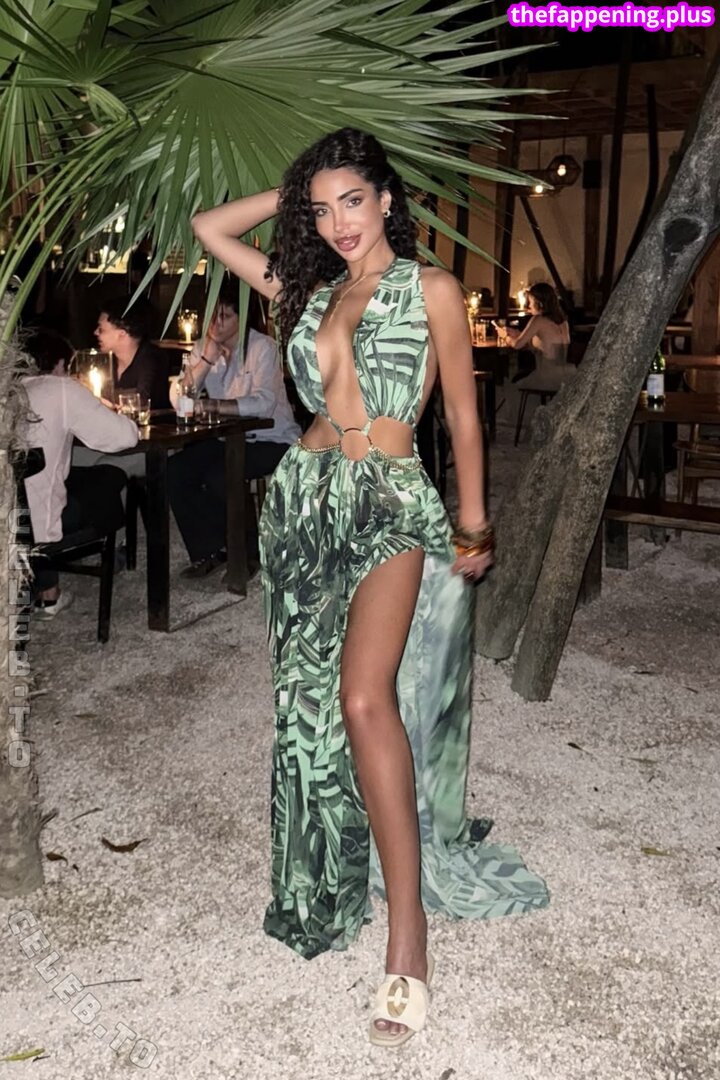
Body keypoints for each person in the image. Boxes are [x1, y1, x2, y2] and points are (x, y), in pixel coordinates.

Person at [191, 128, 549, 1046]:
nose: (338, 222)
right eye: (322, 210)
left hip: (389, 501)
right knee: (308, 705)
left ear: (388, 199)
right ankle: (331, 876)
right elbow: (208, 228)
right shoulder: (306, 291)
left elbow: (463, 415)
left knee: (362, 697)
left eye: (353, 200)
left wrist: (474, 523)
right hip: (304, 503)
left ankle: (408, 934)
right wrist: (295, 188)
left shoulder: (432, 289)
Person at [167, 283, 301, 578]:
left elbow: (264, 403)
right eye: (212, 315)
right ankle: (209, 549)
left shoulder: (262, 347)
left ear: (242, 318)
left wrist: (214, 405)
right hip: (227, 439)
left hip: (272, 439)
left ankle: (247, 554)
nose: (216, 323)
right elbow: (179, 400)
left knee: (222, 474)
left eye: (225, 316)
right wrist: (205, 360)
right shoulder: (203, 348)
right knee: (175, 470)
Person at [20, 328, 138, 617]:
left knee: (58, 481)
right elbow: (124, 437)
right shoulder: (61, 389)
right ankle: (52, 592)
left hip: (11, 512)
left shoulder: (9, 391)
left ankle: (40, 586)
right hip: (36, 524)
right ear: (60, 363)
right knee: (109, 478)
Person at [95, 296, 170, 408]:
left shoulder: (152, 359)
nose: (96, 332)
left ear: (122, 333)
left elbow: (143, 403)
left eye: (101, 329)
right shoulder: (104, 361)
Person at [500, 282, 573, 391]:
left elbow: (517, 345)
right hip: (566, 376)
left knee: (510, 387)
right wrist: (517, 333)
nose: (529, 305)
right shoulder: (563, 321)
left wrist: (505, 336)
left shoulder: (539, 319)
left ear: (539, 303)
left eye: (530, 301)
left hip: (547, 377)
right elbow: (545, 341)